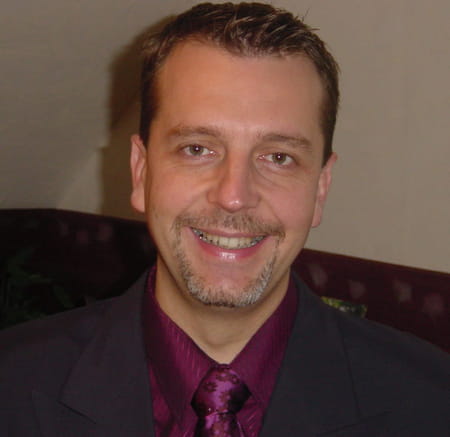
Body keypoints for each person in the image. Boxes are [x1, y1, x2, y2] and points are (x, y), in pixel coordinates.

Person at [1, 3, 449, 436]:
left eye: (278, 157)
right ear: (141, 171)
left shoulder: (432, 402)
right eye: (197, 149)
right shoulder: (12, 385)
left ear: (320, 188)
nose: (234, 197)